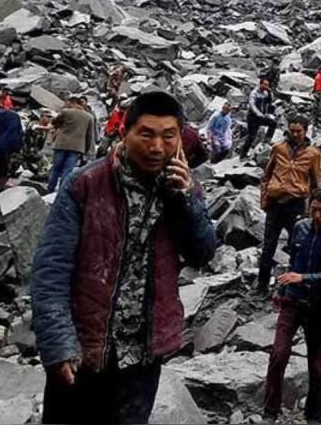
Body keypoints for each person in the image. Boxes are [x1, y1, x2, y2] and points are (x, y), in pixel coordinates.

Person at [31, 91, 216, 424]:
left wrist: (186, 200)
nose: (157, 147)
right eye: (146, 134)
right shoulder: (85, 184)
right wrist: (58, 344)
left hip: (143, 357)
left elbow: (202, 253)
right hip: (82, 352)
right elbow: (50, 269)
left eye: (168, 136)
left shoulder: (182, 186)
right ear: (124, 132)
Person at [262, 187, 321, 423]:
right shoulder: (300, 228)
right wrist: (283, 288)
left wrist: (304, 278)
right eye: (313, 210)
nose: (317, 216)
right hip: (292, 301)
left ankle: (314, 413)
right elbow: (293, 260)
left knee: (318, 364)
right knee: (278, 355)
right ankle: (270, 411)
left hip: (319, 306)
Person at [257, 115, 321, 295]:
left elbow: (315, 184)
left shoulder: (313, 154)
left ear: (306, 131)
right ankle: (261, 286)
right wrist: (264, 200)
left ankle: (293, 286)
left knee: (298, 247)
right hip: (275, 204)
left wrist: (311, 211)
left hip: (296, 205)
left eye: (298, 131)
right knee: (268, 247)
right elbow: (266, 176)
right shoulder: (278, 149)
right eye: (292, 131)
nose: (295, 134)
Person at [47, 96, 95, 194]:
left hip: (61, 144)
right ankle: (61, 191)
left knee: (56, 168)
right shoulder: (89, 117)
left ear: (72, 102)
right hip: (77, 148)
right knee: (67, 170)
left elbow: (54, 122)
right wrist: (85, 149)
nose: (66, 104)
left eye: (68, 102)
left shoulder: (66, 112)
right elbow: (89, 135)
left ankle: (50, 188)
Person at [240, 78, 277, 158]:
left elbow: (270, 101)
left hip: (261, 116)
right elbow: (252, 105)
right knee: (252, 136)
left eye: (267, 85)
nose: (267, 86)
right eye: (265, 85)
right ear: (260, 84)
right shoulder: (254, 93)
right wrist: (259, 114)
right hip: (253, 117)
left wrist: (270, 92)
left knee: (273, 123)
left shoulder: (265, 93)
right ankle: (243, 154)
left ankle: (267, 140)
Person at [19, 110, 54, 178]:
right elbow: (32, 127)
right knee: (44, 162)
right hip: (25, 150)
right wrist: (46, 128)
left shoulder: (45, 128)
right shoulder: (34, 123)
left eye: (50, 117)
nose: (50, 119)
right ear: (42, 117)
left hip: (35, 151)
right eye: (48, 117)